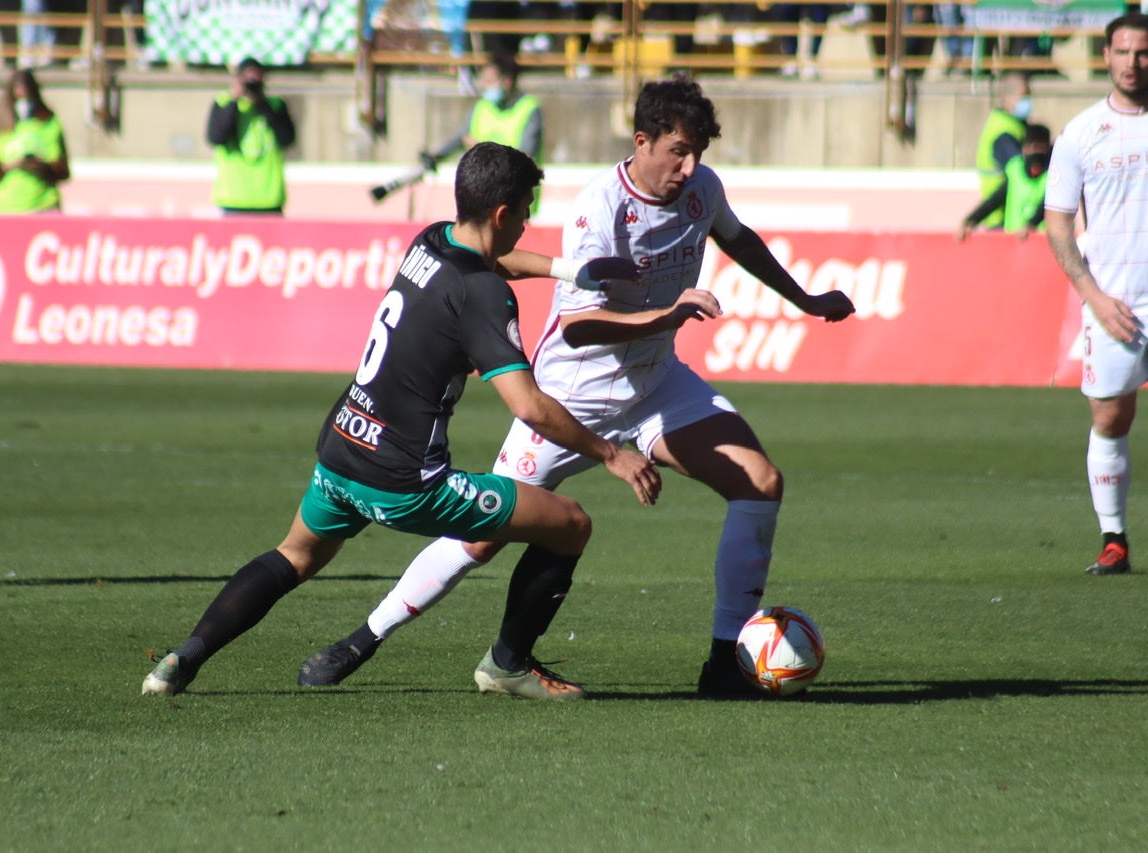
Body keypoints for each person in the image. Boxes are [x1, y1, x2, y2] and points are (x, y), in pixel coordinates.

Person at [298, 75, 856, 699]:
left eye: (699, 151)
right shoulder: (600, 208)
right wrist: (666, 315)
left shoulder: (703, 188)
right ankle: (365, 637)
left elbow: (738, 237)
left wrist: (803, 299)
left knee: (760, 482)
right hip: (572, 396)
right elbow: (580, 325)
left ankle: (724, 663)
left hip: (656, 386)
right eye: (678, 151)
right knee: (480, 539)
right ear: (642, 142)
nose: (690, 166)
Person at [141, 141, 663, 700]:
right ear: (503, 213)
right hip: (407, 482)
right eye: (527, 212)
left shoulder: (433, 239)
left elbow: (491, 260)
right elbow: (528, 406)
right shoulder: (485, 295)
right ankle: (508, 665)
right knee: (570, 523)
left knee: (292, 555)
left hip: (342, 447)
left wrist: (570, 272)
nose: (528, 225)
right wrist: (611, 453)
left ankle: (180, 660)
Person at [1043, 13, 1148, 579]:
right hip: (1111, 301)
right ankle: (1114, 539)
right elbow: (1058, 224)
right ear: (1105, 56)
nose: (1132, 63)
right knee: (1111, 418)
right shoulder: (1082, 133)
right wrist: (1093, 296)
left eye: (1143, 53)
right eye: (1121, 52)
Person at [420, 51, 542, 177]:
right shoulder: (482, 106)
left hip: (515, 191)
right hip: (483, 190)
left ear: (508, 81)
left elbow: (525, 158)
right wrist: (437, 157)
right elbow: (460, 138)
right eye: (483, 80)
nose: (483, 85)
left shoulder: (529, 108)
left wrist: (483, 151)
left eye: (489, 81)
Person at [206, 57, 296, 216]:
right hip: (233, 198)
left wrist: (262, 104)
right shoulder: (223, 103)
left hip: (269, 199)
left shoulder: (275, 106)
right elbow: (216, 137)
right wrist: (235, 98)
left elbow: (287, 138)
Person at [0, 68, 70, 214]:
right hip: (0, 208)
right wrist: (10, 165)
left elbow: (62, 170)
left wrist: (39, 165)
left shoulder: (48, 122)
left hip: (42, 206)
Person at [956, 122, 1050, 242]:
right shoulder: (1015, 173)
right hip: (1013, 245)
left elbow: (1046, 206)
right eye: (1030, 147)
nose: (1035, 152)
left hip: (1043, 245)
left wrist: (1031, 225)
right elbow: (993, 201)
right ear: (1024, 149)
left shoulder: (1053, 175)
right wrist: (970, 221)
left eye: (1040, 147)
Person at [975, 71, 1033, 230]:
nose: (1028, 102)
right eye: (1023, 97)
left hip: (1006, 217)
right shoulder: (1003, 133)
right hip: (1003, 220)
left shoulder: (1009, 124)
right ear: (1007, 98)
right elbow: (1020, 175)